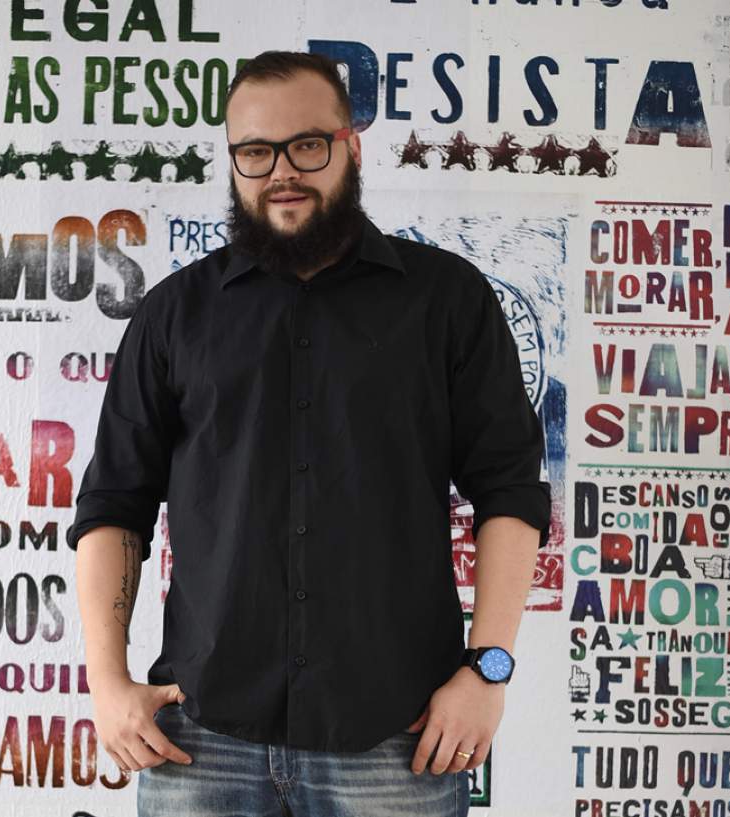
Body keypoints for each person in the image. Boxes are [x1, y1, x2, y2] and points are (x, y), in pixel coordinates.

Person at [68, 50, 551, 817]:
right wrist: (105, 680)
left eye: (307, 145)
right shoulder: (174, 314)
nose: (281, 171)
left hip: (397, 735)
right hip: (200, 735)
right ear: (234, 160)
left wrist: (487, 671)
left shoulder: (447, 300)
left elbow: (511, 489)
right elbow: (113, 503)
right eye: (256, 152)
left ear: (351, 147)